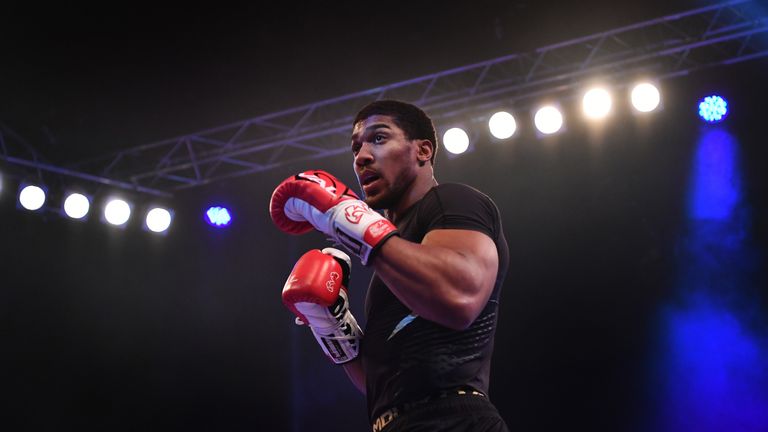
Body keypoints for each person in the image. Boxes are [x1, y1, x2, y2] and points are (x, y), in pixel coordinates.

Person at [271, 100, 510, 431]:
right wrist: (334, 329)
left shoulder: (453, 201)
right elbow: (380, 386)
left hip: (453, 419)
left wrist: (348, 218)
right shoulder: (389, 271)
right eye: (356, 147)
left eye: (379, 139)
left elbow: (459, 297)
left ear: (423, 150)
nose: (362, 156)